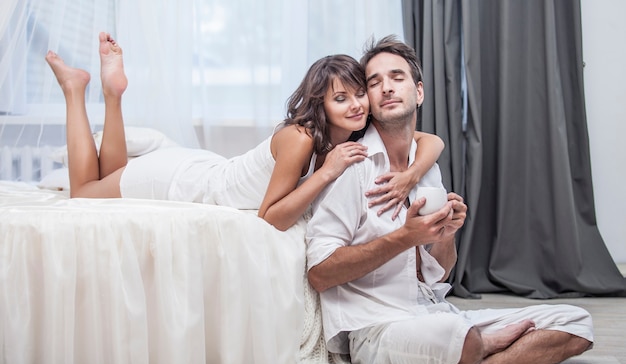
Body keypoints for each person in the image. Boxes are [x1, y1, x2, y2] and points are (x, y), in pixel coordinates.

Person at [305, 35, 594, 364]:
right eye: (374, 82)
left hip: (435, 314)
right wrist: (404, 237)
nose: (386, 88)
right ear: (368, 99)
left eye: (397, 77)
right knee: (458, 338)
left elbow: (439, 274)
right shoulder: (353, 168)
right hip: (378, 329)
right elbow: (319, 274)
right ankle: (470, 351)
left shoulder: (426, 170)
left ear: (419, 92)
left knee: (576, 322)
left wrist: (446, 234)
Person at [45, 32, 445, 231]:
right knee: (86, 191)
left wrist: (409, 175)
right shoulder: (301, 137)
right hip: (186, 182)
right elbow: (269, 218)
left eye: (361, 94)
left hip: (206, 167)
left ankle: (113, 97)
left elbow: (431, 141)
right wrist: (327, 172)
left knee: (108, 179)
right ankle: (75, 90)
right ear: (321, 105)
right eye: (341, 99)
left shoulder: (355, 128)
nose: (357, 104)